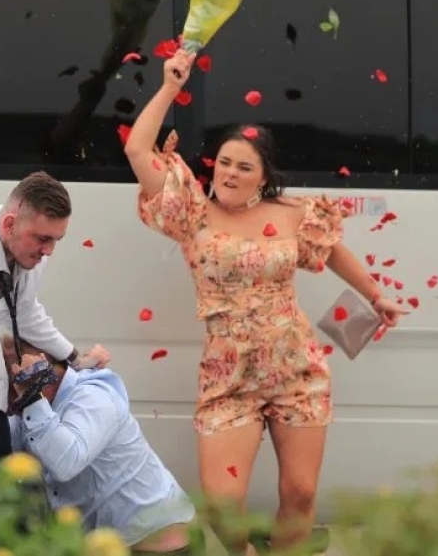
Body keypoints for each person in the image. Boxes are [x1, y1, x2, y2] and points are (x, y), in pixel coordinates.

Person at [123, 50, 408, 553]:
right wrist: (169, 88)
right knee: (222, 503)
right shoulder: (191, 213)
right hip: (228, 375)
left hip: (295, 366)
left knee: (299, 492)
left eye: (244, 166)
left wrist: (375, 295)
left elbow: (332, 250)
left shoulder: (294, 214)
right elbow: (138, 150)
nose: (230, 173)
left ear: (263, 175)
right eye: (225, 163)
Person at [0, 172, 112, 479]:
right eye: (43, 239)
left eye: (56, 240)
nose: (49, 251)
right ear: (8, 224)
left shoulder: (33, 257)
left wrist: (74, 358)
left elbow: (27, 314)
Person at [4, 336, 200, 554]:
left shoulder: (93, 396)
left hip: (156, 546)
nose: (10, 399)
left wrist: (30, 394)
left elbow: (66, 462)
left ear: (42, 373)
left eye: (12, 386)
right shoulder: (30, 412)